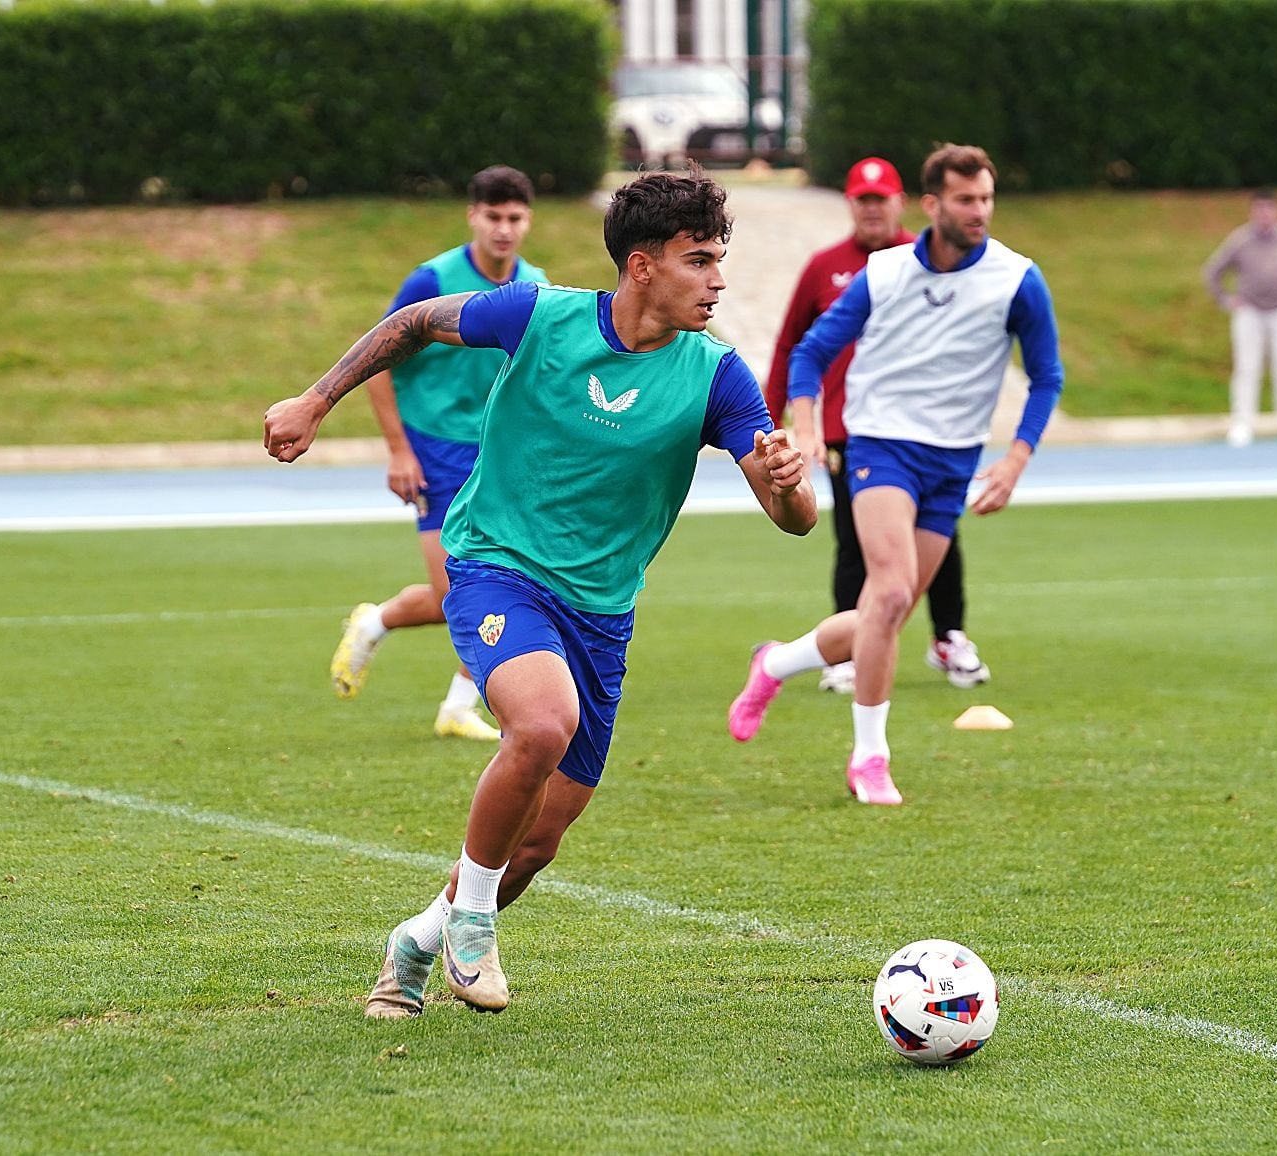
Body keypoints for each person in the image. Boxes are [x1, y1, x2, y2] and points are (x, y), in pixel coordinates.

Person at [263, 167, 815, 1016]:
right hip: (496, 566)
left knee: (538, 842)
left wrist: (786, 482)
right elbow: (414, 321)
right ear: (642, 266)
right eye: (699, 259)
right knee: (542, 721)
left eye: (719, 259)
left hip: (601, 613)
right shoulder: (539, 314)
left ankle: (417, 939)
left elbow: (796, 521)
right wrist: (314, 397)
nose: (718, 279)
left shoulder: (716, 376)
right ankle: (474, 926)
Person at [726, 144, 1064, 806]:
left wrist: (1016, 457)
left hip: (955, 460)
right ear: (933, 205)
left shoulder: (1018, 278)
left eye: (986, 199)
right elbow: (810, 352)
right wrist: (807, 426)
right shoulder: (882, 274)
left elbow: (1048, 375)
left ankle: (775, 663)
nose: (980, 211)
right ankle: (870, 759)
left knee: (887, 612)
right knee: (886, 597)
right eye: (966, 200)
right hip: (880, 446)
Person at [330, 165, 548, 742]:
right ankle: (377, 623)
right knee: (460, 596)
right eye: (494, 217)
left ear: (528, 221)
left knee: (511, 583)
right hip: (435, 448)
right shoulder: (432, 280)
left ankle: (453, 703)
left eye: (515, 218)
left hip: (497, 454)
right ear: (473, 216)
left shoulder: (536, 285)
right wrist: (400, 451)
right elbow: (377, 362)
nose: (504, 229)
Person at [765, 155, 988, 696]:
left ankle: (948, 635)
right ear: (850, 205)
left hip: (926, 425)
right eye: (862, 201)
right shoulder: (825, 267)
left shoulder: (936, 259)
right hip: (849, 427)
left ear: (901, 202)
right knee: (854, 539)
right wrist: (775, 418)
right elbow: (794, 342)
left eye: (881, 200)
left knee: (940, 535)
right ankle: (844, 649)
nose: (871, 210)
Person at [1202, 190, 1277, 447]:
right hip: (1249, 311)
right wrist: (1225, 299)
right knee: (1247, 368)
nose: (1265, 214)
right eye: (1259, 209)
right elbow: (1213, 270)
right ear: (1252, 212)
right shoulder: (1241, 240)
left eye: (1269, 209)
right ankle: (1242, 424)